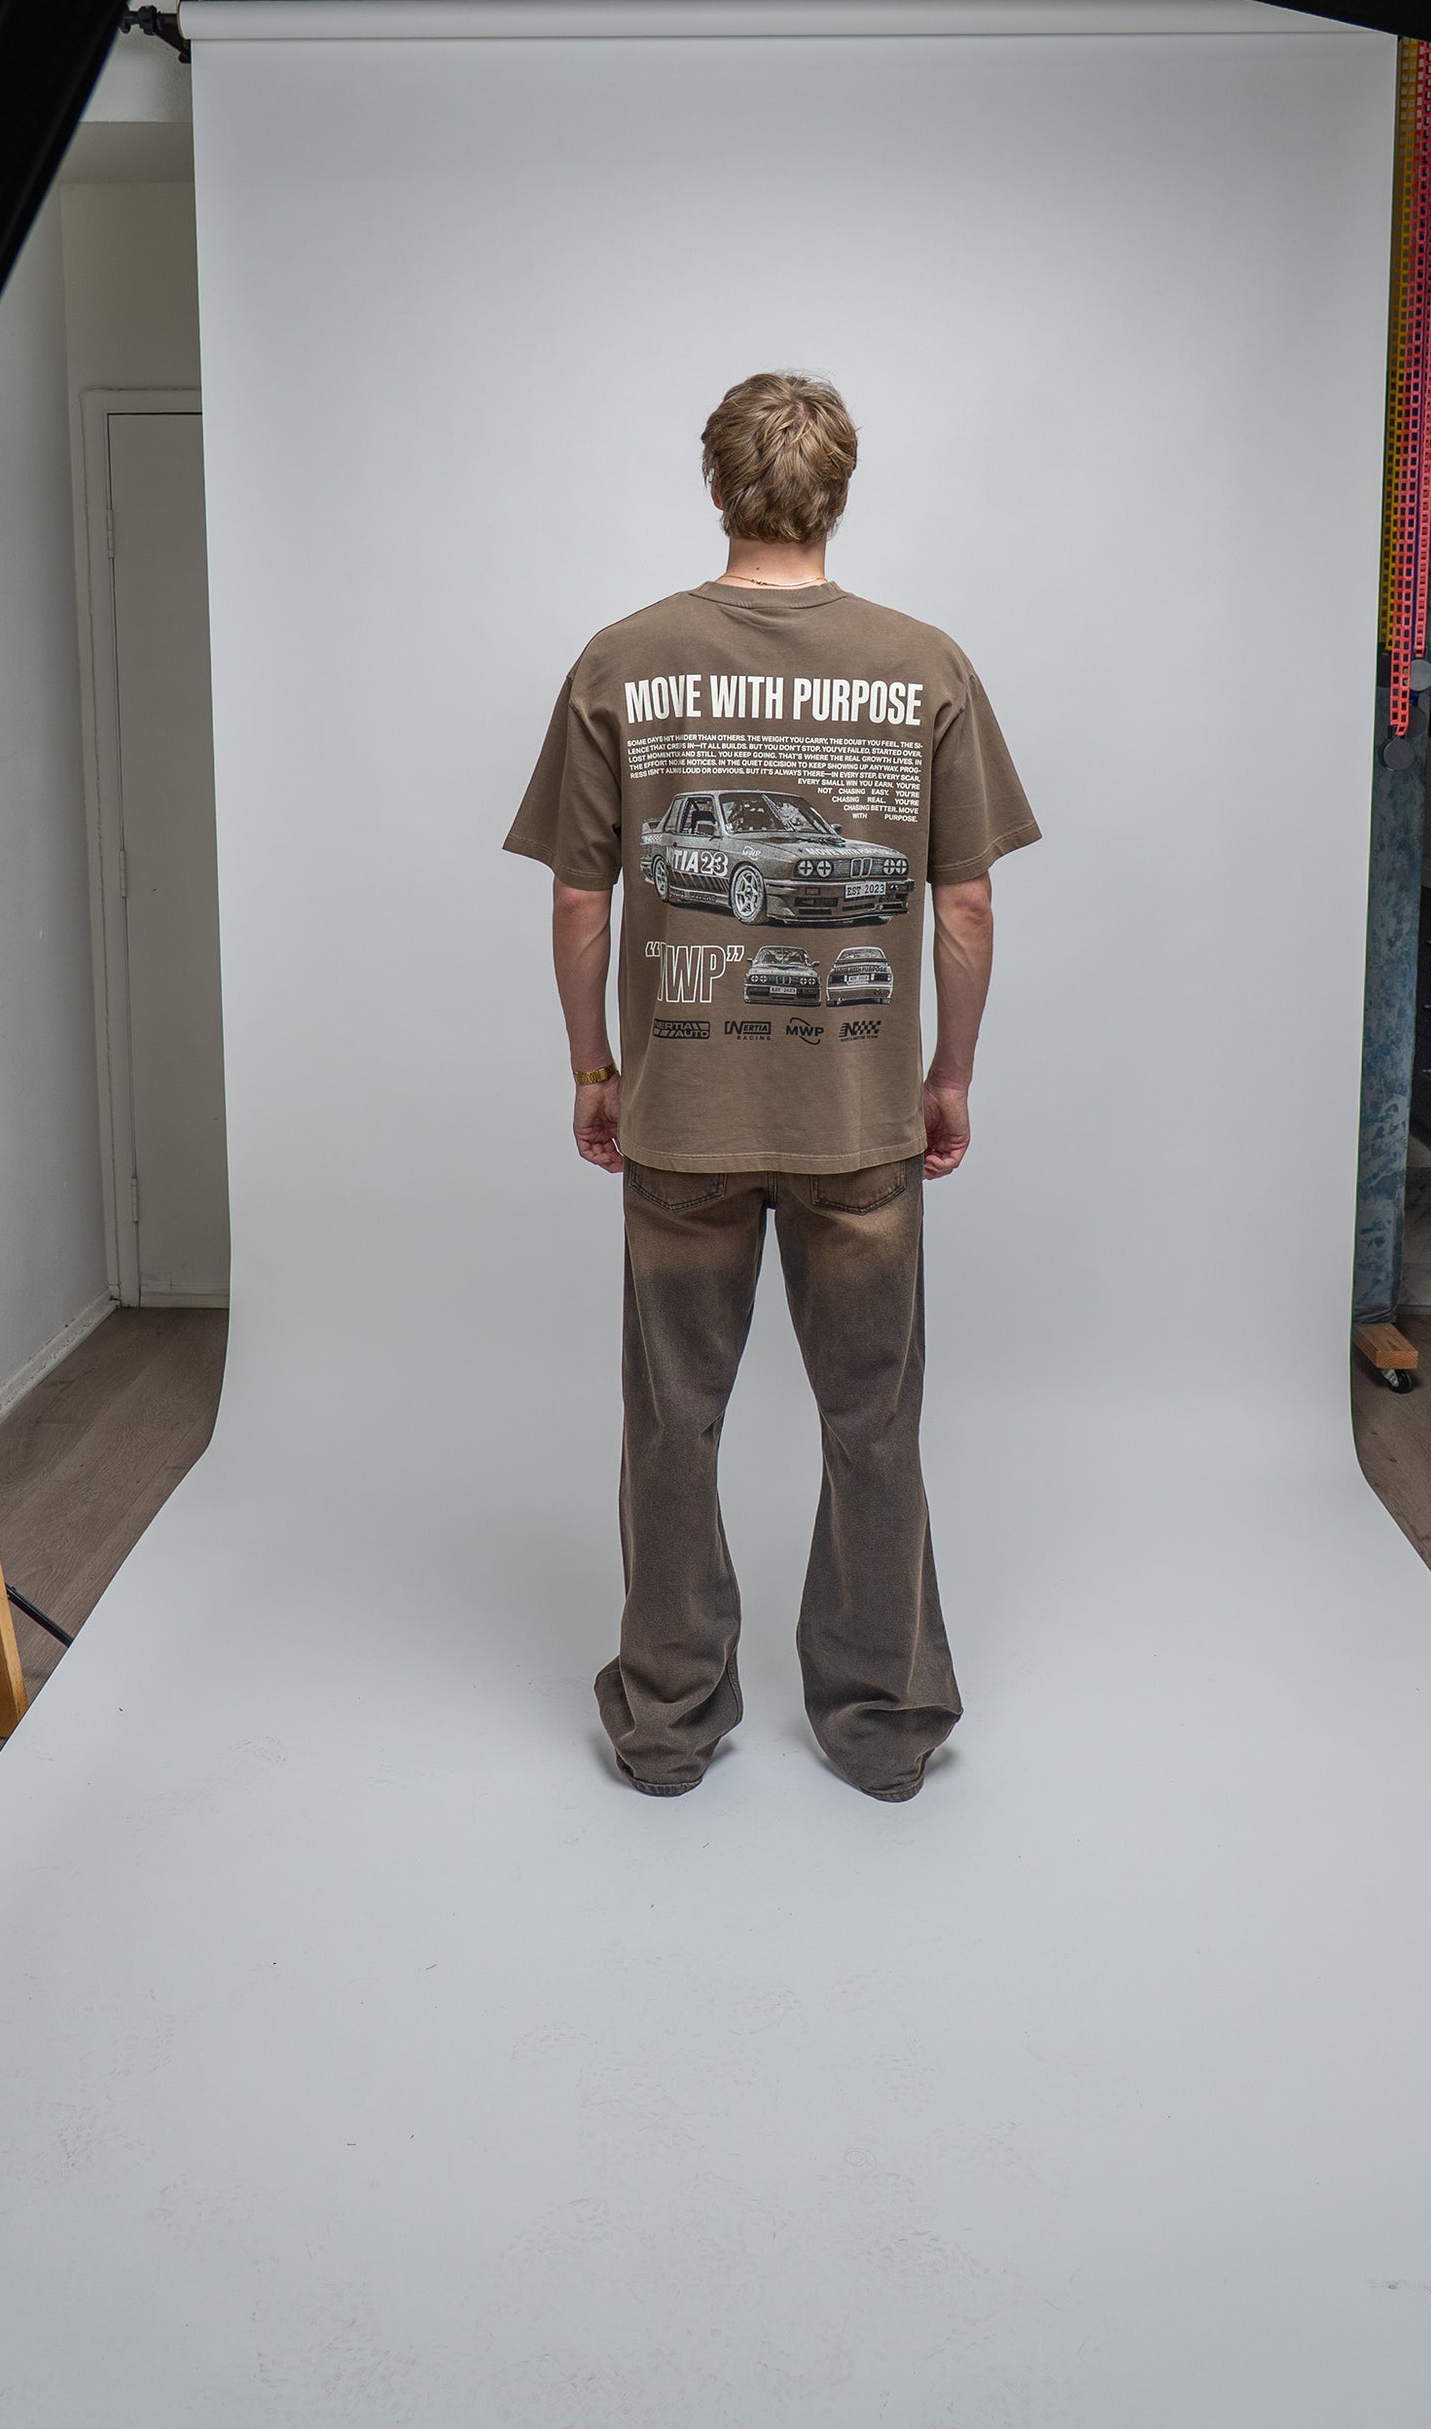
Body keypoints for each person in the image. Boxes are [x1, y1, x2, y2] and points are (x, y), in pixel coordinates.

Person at [505, 373, 1039, 1802]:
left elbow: (576, 904)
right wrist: (948, 1078)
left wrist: (590, 1067)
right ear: (837, 492)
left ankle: (670, 1724)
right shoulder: (922, 664)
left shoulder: (624, 659)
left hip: (681, 1118)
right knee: (872, 1422)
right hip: (858, 1119)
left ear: (717, 487)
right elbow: (968, 910)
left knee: (670, 1421)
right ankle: (880, 1723)